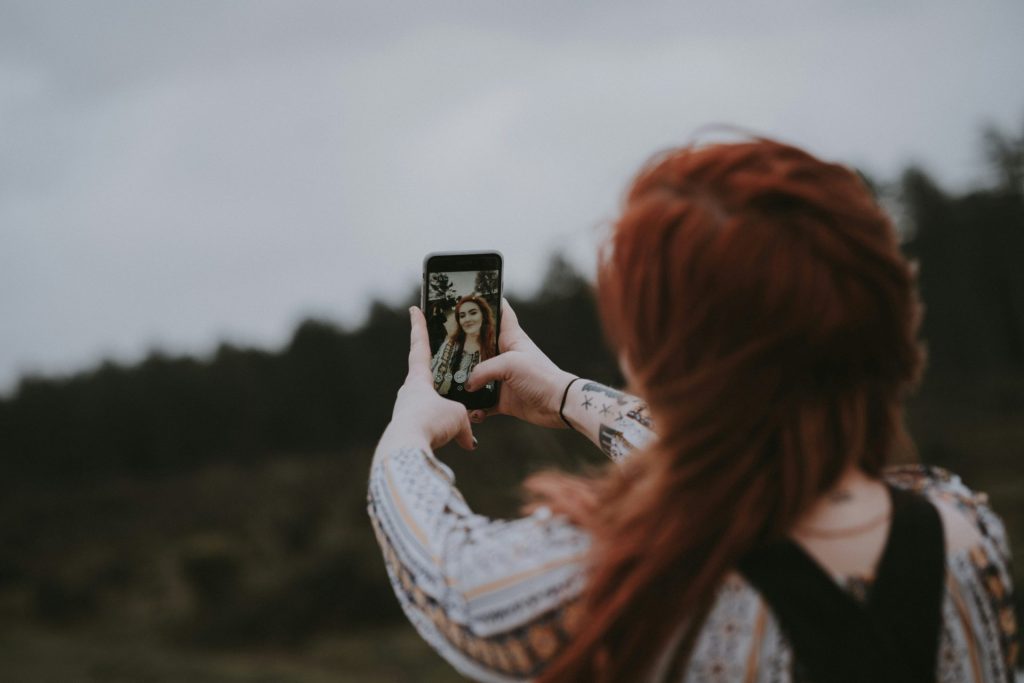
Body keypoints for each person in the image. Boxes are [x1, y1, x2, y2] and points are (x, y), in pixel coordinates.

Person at [368, 139, 1019, 682]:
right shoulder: (963, 535)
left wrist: (407, 431)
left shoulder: (622, 579)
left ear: (659, 358)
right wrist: (566, 394)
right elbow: (756, 450)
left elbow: (449, 576)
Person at [430, 294, 497, 398]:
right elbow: (435, 385)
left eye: (473, 313)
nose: (467, 319)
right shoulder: (450, 346)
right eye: (462, 316)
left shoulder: (495, 348)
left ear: (483, 316)